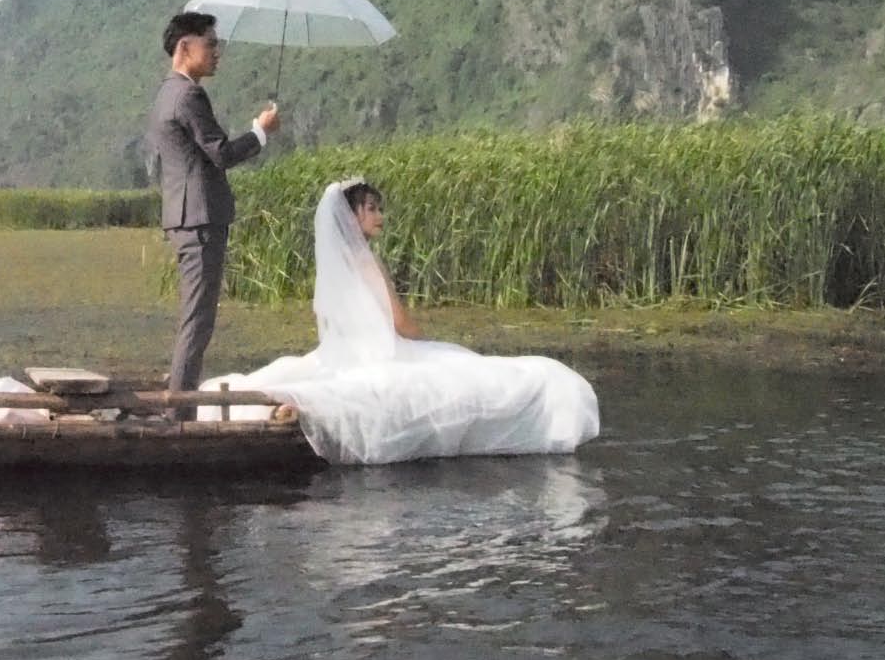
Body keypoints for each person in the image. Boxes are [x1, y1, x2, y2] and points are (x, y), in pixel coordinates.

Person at [200, 178, 600, 463]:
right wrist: (425, 342)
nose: (380, 217)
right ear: (351, 216)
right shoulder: (366, 261)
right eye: (371, 209)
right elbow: (400, 321)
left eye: (379, 208)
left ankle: (290, 407)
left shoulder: (334, 268)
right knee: (478, 375)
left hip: (342, 353)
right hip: (379, 353)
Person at [146, 11, 281, 413]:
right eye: (211, 44)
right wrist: (260, 131)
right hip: (200, 219)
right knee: (198, 318)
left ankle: (179, 401)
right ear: (185, 48)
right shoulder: (188, 96)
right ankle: (180, 411)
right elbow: (220, 153)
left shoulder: (166, 93)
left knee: (196, 315)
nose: (218, 52)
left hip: (186, 217)